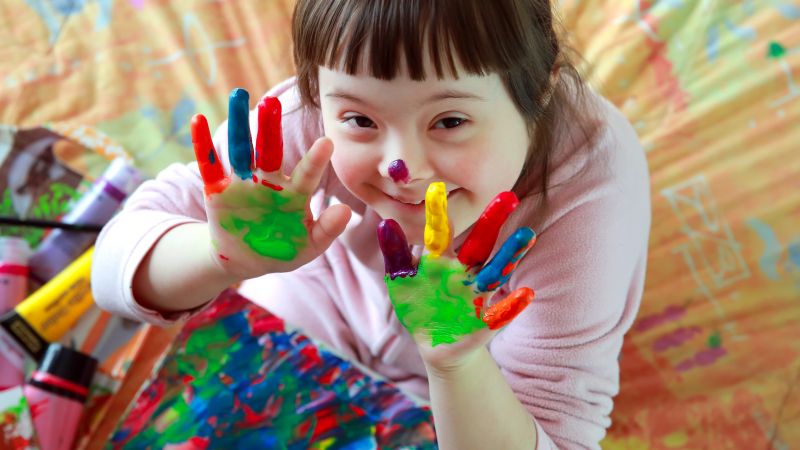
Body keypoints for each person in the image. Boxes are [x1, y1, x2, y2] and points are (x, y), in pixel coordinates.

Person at [92, 0, 651, 448]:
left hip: (474, 390)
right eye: (360, 118)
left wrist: (456, 363)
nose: (401, 168)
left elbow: (558, 433)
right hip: (310, 308)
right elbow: (112, 268)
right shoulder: (303, 124)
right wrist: (220, 256)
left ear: (543, 85)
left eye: (450, 120)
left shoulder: (591, 193)